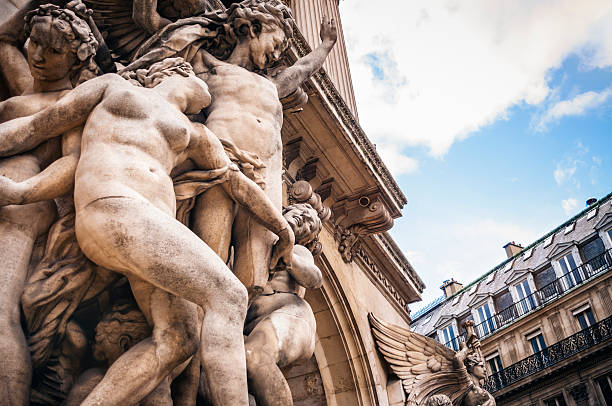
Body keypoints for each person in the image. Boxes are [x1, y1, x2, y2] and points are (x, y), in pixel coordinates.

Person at [0, 58, 294, 406]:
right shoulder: (114, 87)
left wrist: (282, 228)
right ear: (176, 71)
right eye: (201, 79)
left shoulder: (195, 134)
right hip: (115, 205)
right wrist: (22, 192)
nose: (208, 90)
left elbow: (239, 185)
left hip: (148, 232)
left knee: (180, 337)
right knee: (229, 296)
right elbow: (37, 127)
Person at [123, 0, 338, 301]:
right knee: (209, 259)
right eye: (276, 43)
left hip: (264, 178)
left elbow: (301, 69)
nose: (278, 54)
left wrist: (326, 46)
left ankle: (231, 333)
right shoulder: (210, 65)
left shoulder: (271, 85)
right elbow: (156, 26)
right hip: (221, 165)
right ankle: (198, 324)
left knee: (253, 276)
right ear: (253, 29)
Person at [0, 5, 98, 404]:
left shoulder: (73, 101)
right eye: (35, 42)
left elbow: (73, 162)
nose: (38, 55)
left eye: (53, 50)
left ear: (74, 58)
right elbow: (5, 39)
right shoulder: (28, 84)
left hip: (18, 196)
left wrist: (22, 192)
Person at [244, 203, 323, 406]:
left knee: (254, 355)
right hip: (252, 323)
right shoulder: (254, 237)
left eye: (309, 225)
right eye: (302, 213)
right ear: (286, 210)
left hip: (291, 315)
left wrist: (289, 256)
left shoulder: (297, 250)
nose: (303, 220)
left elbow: (314, 279)